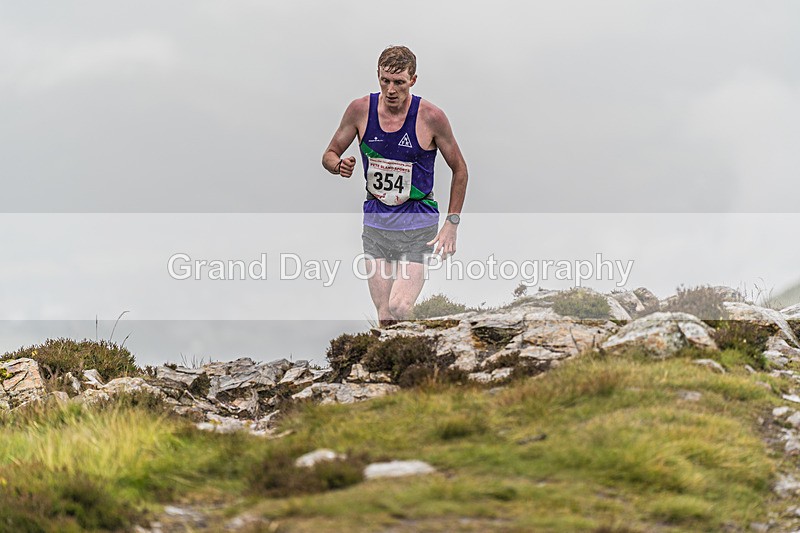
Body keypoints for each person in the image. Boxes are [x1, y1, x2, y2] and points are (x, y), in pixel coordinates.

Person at [322, 45, 468, 326]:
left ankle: (432, 333)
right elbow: (329, 154)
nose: (391, 90)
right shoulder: (359, 110)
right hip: (377, 222)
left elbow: (460, 169)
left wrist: (452, 223)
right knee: (386, 317)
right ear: (377, 76)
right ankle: (402, 350)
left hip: (418, 221)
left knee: (399, 307)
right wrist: (338, 165)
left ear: (413, 80)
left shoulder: (431, 117)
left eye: (399, 82)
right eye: (385, 81)